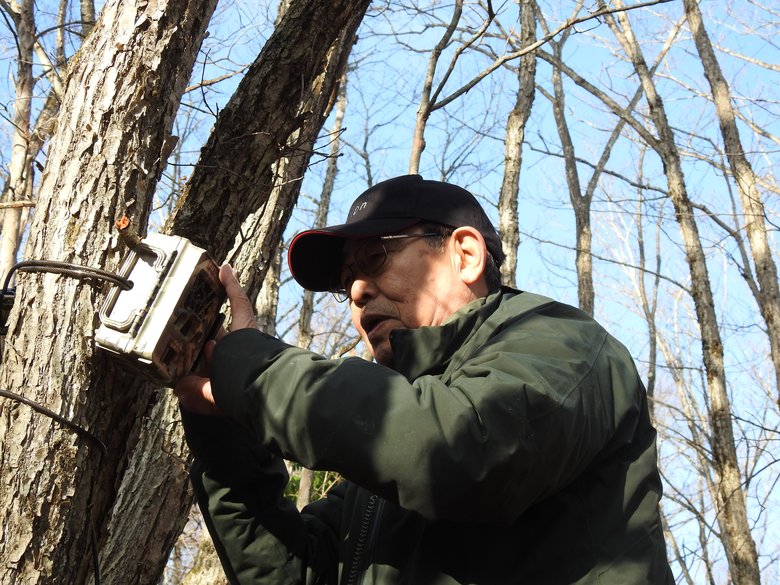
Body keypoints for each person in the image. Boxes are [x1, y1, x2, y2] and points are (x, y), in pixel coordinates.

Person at [174, 174, 674, 584]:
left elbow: (464, 448)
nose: (357, 291)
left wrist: (257, 371)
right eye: (345, 282)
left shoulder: (563, 343)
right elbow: (299, 572)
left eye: (373, 258)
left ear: (465, 254)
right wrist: (224, 435)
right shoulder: (383, 466)